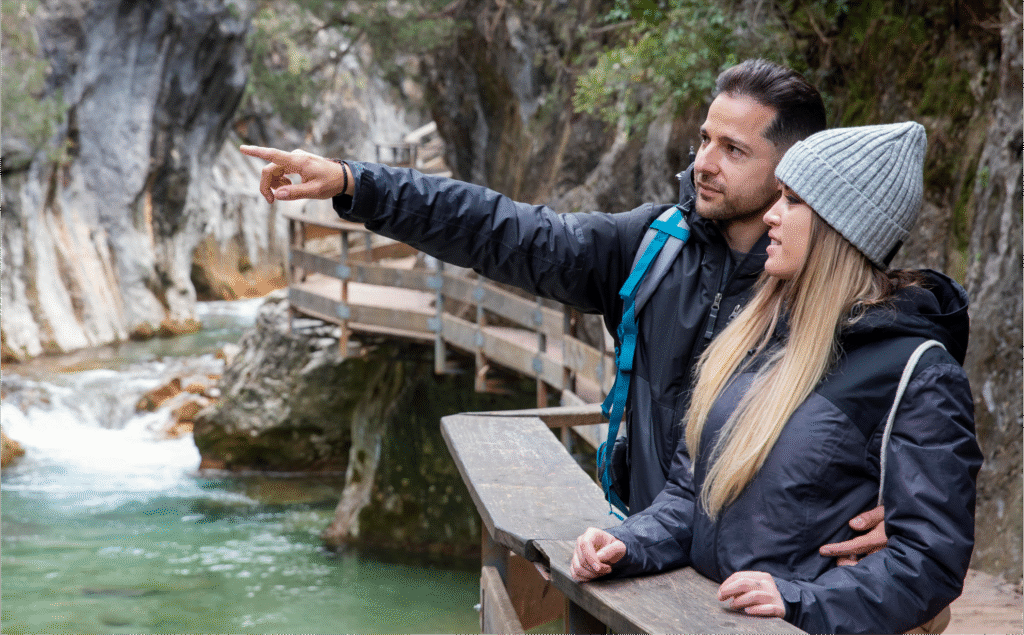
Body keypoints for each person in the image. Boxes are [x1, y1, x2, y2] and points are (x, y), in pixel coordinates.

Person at [240, 59, 886, 560]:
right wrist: (358, 183)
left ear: (791, 171)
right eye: (704, 138)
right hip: (648, 557)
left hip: (770, 586)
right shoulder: (652, 247)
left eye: (733, 150)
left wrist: (898, 502)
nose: (703, 163)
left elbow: (907, 390)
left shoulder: (826, 285)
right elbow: (503, 230)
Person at [569, 122, 982, 634]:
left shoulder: (918, 374)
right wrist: (629, 543)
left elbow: (930, 561)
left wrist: (801, 599)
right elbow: (688, 496)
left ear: (839, 227)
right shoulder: (754, 337)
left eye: (791, 201)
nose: (771, 215)